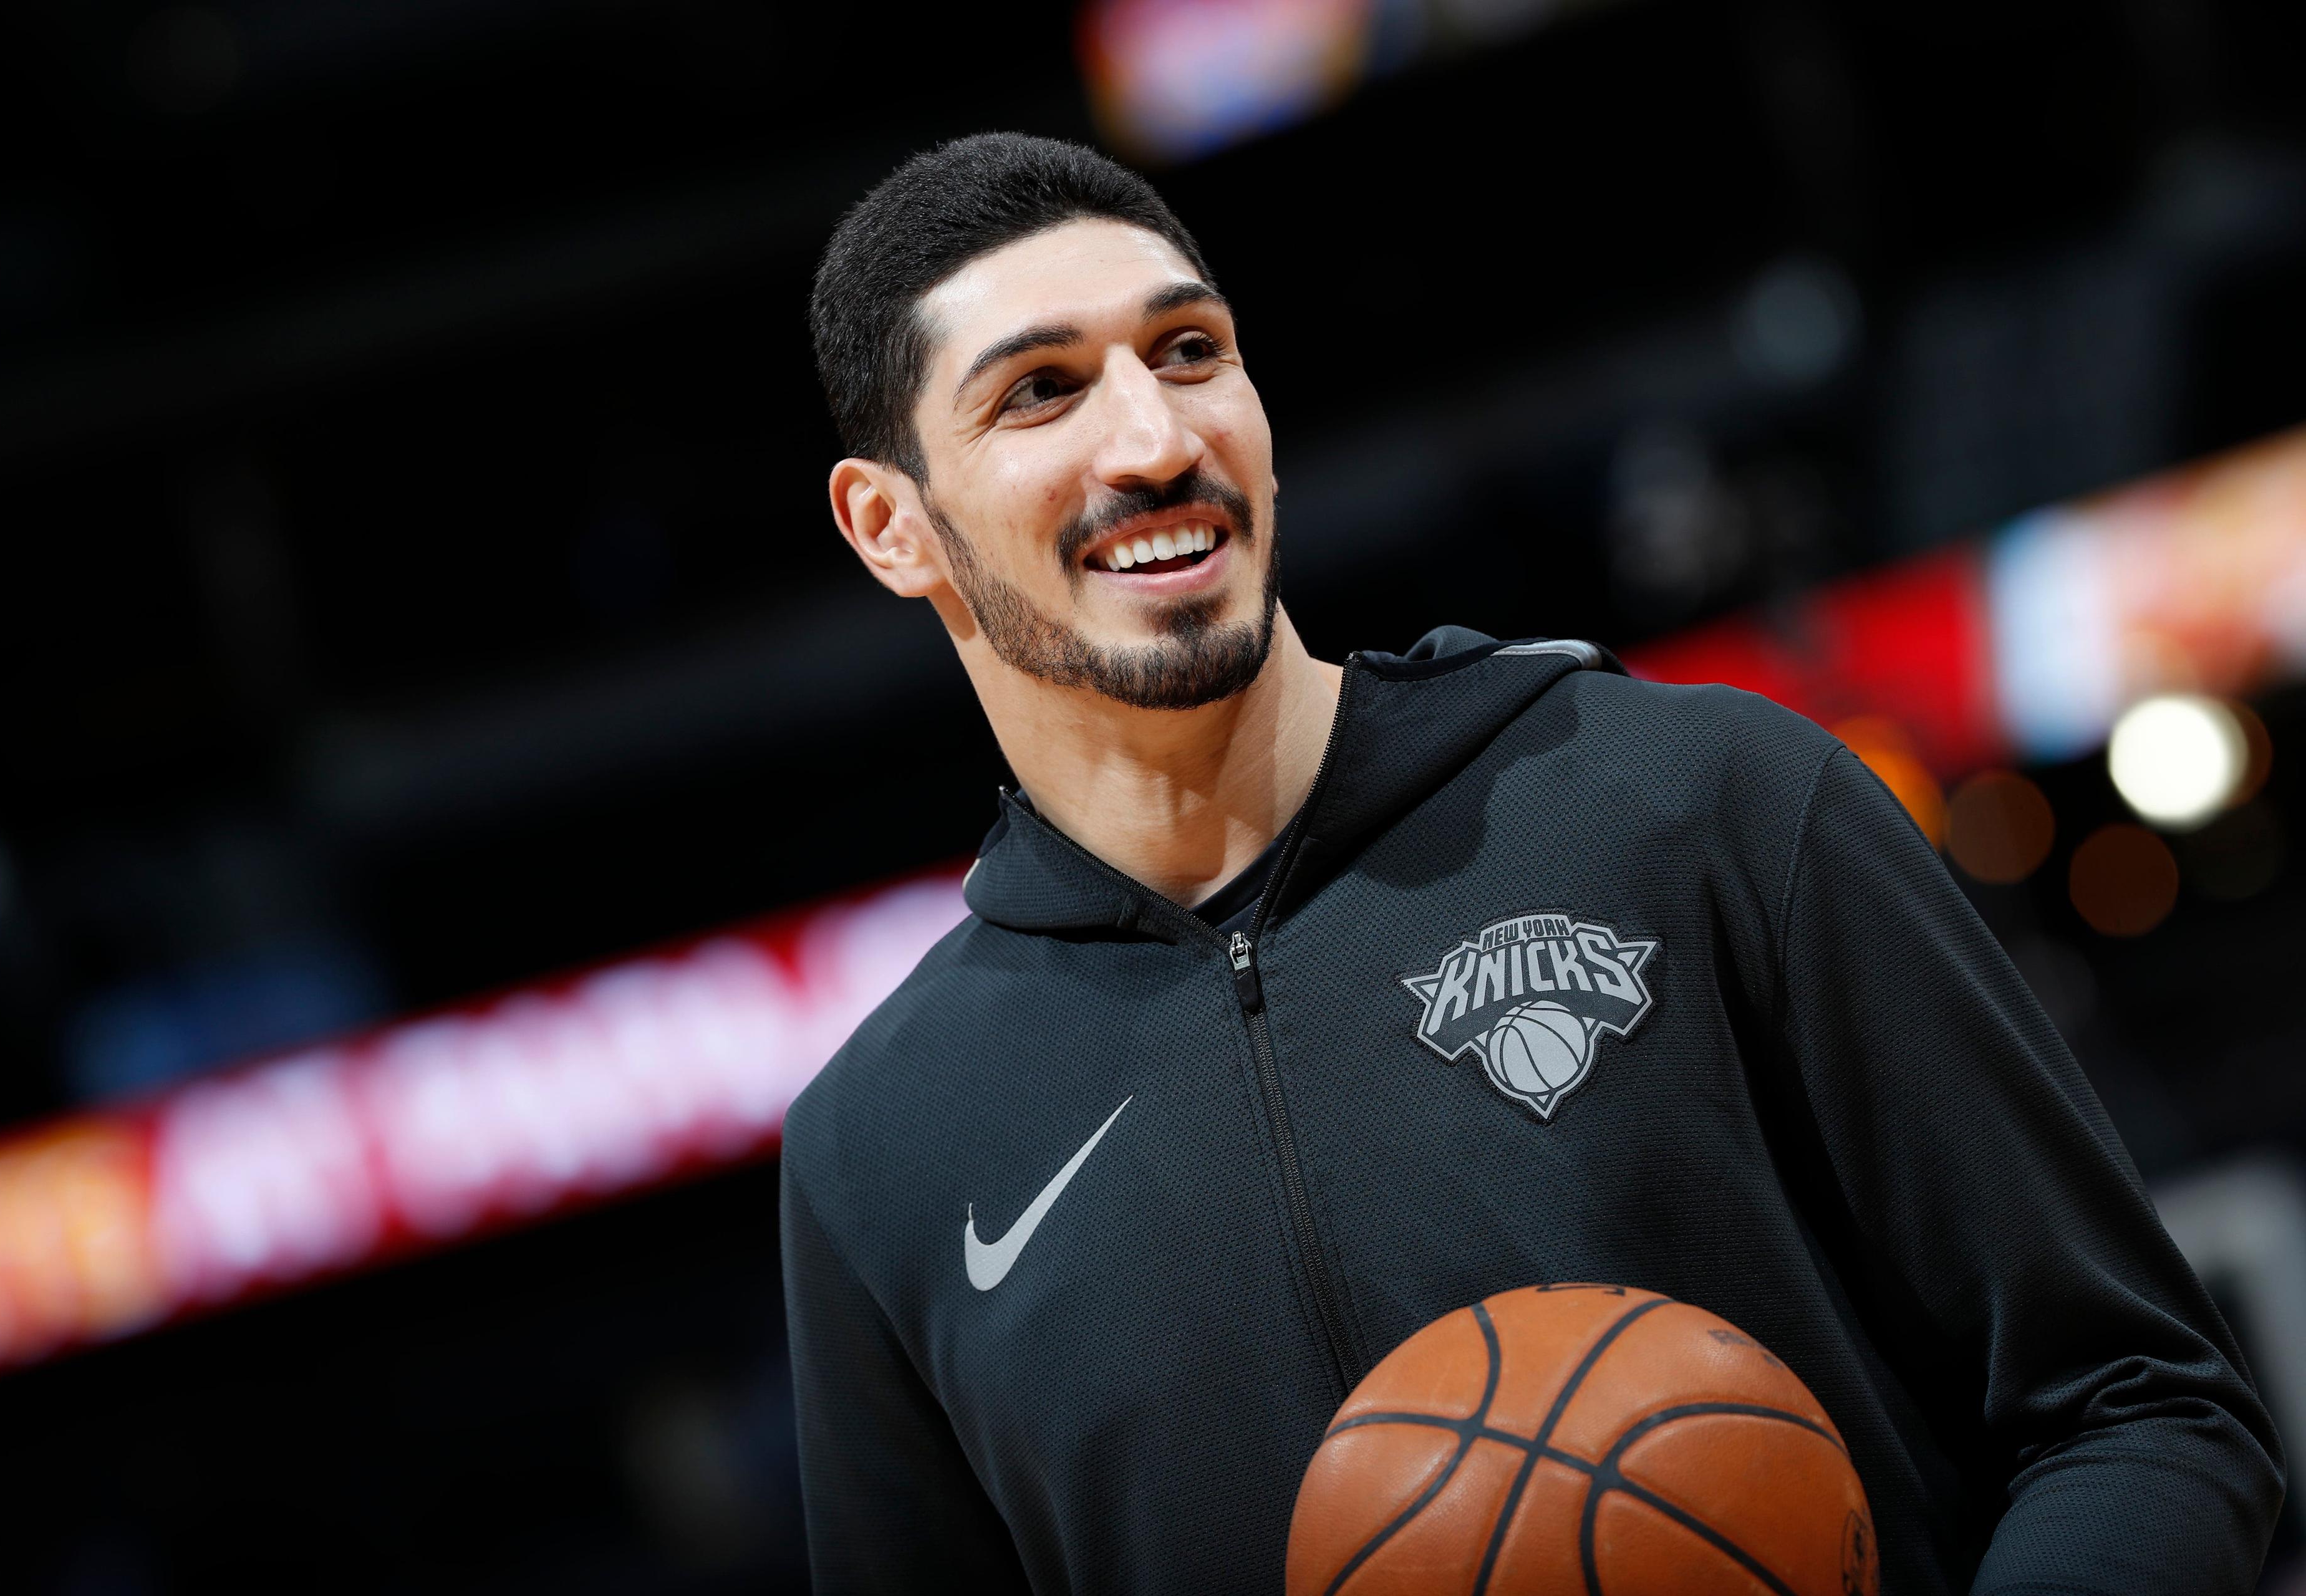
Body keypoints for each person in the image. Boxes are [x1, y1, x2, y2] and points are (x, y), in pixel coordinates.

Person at [779, 132, 2282, 1594]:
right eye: (1041, 391)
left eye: (1188, 352)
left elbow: (2144, 1405)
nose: (1156, 440)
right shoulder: (885, 1154)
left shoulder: (1703, 801)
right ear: (890, 526)